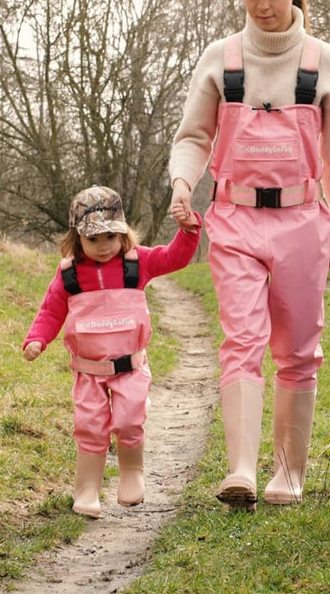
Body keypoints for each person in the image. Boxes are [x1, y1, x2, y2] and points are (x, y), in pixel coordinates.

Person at [168, 0, 330, 510]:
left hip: (303, 219)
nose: (261, 5)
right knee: (241, 339)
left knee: (298, 348)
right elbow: (194, 136)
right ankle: (242, 470)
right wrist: (182, 183)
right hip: (234, 217)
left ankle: (287, 474)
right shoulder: (220, 58)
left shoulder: (323, 61)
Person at [23, 185, 202, 518]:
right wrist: (37, 339)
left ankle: (132, 473)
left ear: (123, 234)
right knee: (90, 427)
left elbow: (174, 257)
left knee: (130, 420)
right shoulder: (69, 275)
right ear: (78, 239)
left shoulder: (138, 263)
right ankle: (87, 489)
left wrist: (188, 231)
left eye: (110, 237)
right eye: (93, 240)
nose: (103, 247)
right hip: (88, 371)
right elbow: (50, 312)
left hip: (130, 368)